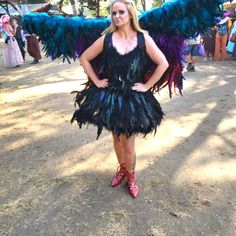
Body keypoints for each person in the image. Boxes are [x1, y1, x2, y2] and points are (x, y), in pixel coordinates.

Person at [71, 0, 169, 198]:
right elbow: (84, 58)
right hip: (112, 97)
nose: (116, 16)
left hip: (133, 99)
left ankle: (131, 176)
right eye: (113, 13)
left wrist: (147, 86)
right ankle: (122, 168)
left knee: (129, 142)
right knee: (117, 136)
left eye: (121, 12)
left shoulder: (143, 39)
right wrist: (97, 81)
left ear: (130, 14)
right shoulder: (106, 39)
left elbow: (163, 63)